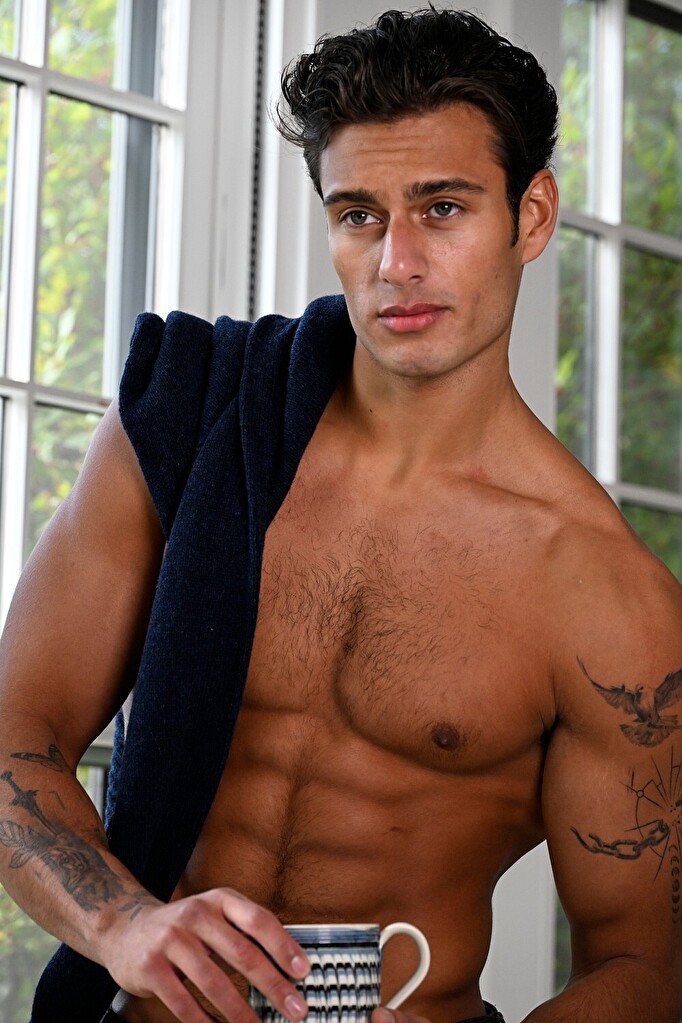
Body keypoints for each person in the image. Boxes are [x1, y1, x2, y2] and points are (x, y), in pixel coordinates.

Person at [0, 6, 681, 1023]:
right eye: (359, 214)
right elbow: (15, 733)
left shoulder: (603, 594)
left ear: (531, 216)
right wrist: (123, 924)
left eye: (441, 208)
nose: (396, 261)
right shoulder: (189, 417)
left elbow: (644, 964)